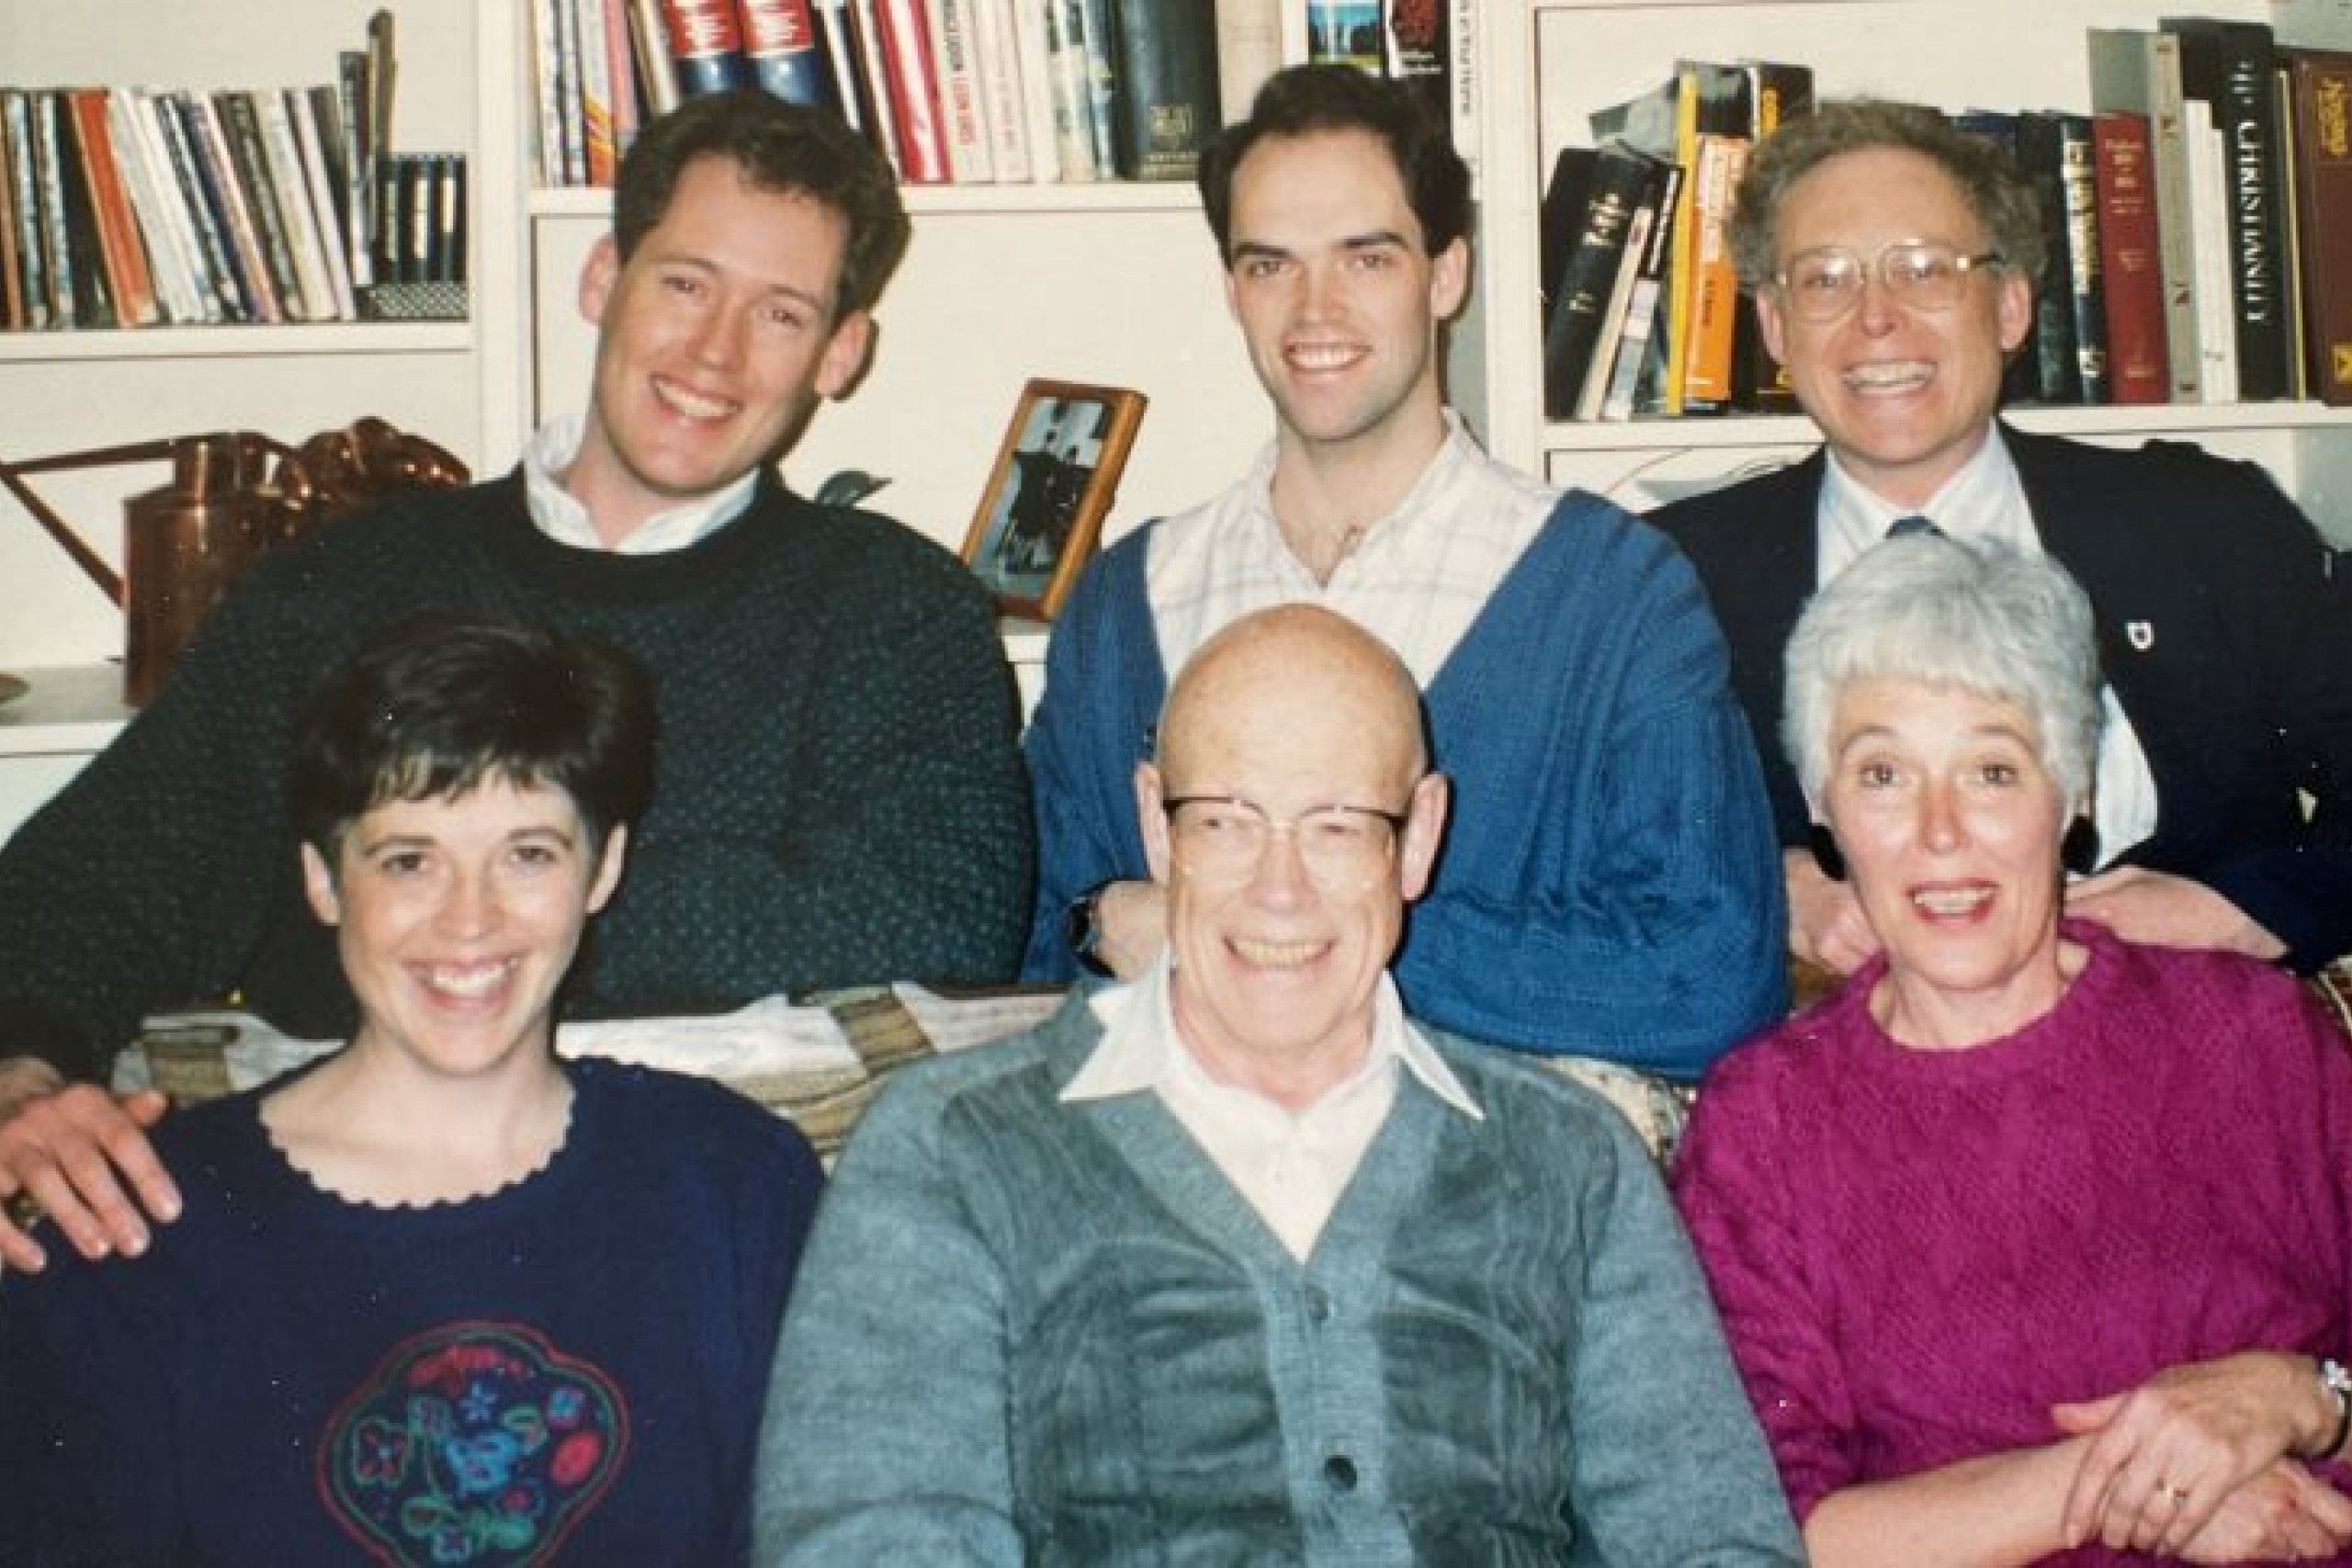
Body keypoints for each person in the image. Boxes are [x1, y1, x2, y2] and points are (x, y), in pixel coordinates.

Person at [0, 90, 1032, 1275]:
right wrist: (22, 1065)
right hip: (363, 1218)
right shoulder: (341, 588)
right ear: (602, 277)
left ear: (840, 353)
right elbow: (108, 869)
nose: (715, 354)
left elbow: (933, 911)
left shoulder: (899, 609)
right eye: (684, 284)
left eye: (781, 313)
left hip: (743, 1227)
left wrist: (430, 912)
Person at [755, 604, 1803, 1564]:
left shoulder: (1571, 1158)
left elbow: (1711, 1538)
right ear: (1156, 829)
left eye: (1339, 825)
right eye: (1226, 820)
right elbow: (871, 1540)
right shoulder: (951, 1149)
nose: (1280, 889)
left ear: (1420, 838)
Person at [0, 615, 826, 1562]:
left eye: (528, 854)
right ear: (321, 880)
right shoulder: (135, 1220)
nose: (468, 921)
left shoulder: (733, 1184)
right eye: (407, 860)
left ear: (603, 868)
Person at [1023, 63, 1785, 1079]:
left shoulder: (1616, 593)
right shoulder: (1126, 603)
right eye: (1269, 265)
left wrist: (1268, 946)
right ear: (1230, 290)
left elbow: (1709, 982)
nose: (1313, 309)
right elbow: (1042, 940)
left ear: (1446, 274)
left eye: (1366, 259)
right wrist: (1098, 921)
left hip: (1490, 1207)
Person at [1673, 535, 2352, 1566]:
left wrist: (2302, 1397)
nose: (1940, 833)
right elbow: (1778, 1532)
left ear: (2073, 791)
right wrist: (2151, 1479)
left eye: (1992, 768)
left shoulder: (2257, 1036)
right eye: (1884, 774)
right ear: (1822, 808)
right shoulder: (1763, 1125)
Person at [1650, 98, 2352, 980]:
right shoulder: (1669, 575)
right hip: (1857, 1066)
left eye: (1924, 269)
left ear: (2013, 307)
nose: (1876, 318)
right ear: (1775, 327)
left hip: (2198, 1040)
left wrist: (2240, 912)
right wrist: (1772, 883)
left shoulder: (2205, 523)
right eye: (1826, 277)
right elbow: (1606, 840)